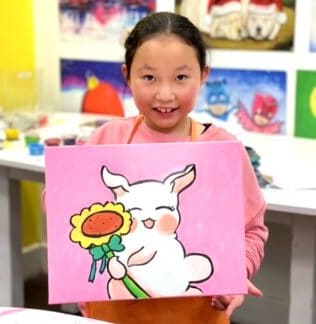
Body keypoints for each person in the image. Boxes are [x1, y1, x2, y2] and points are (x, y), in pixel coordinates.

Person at [80, 11, 268, 323]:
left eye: (181, 77)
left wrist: (236, 272)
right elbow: (69, 220)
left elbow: (253, 229)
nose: (165, 94)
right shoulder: (105, 140)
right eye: (149, 77)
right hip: (112, 312)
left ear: (203, 75)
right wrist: (63, 191)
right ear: (127, 75)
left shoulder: (223, 149)